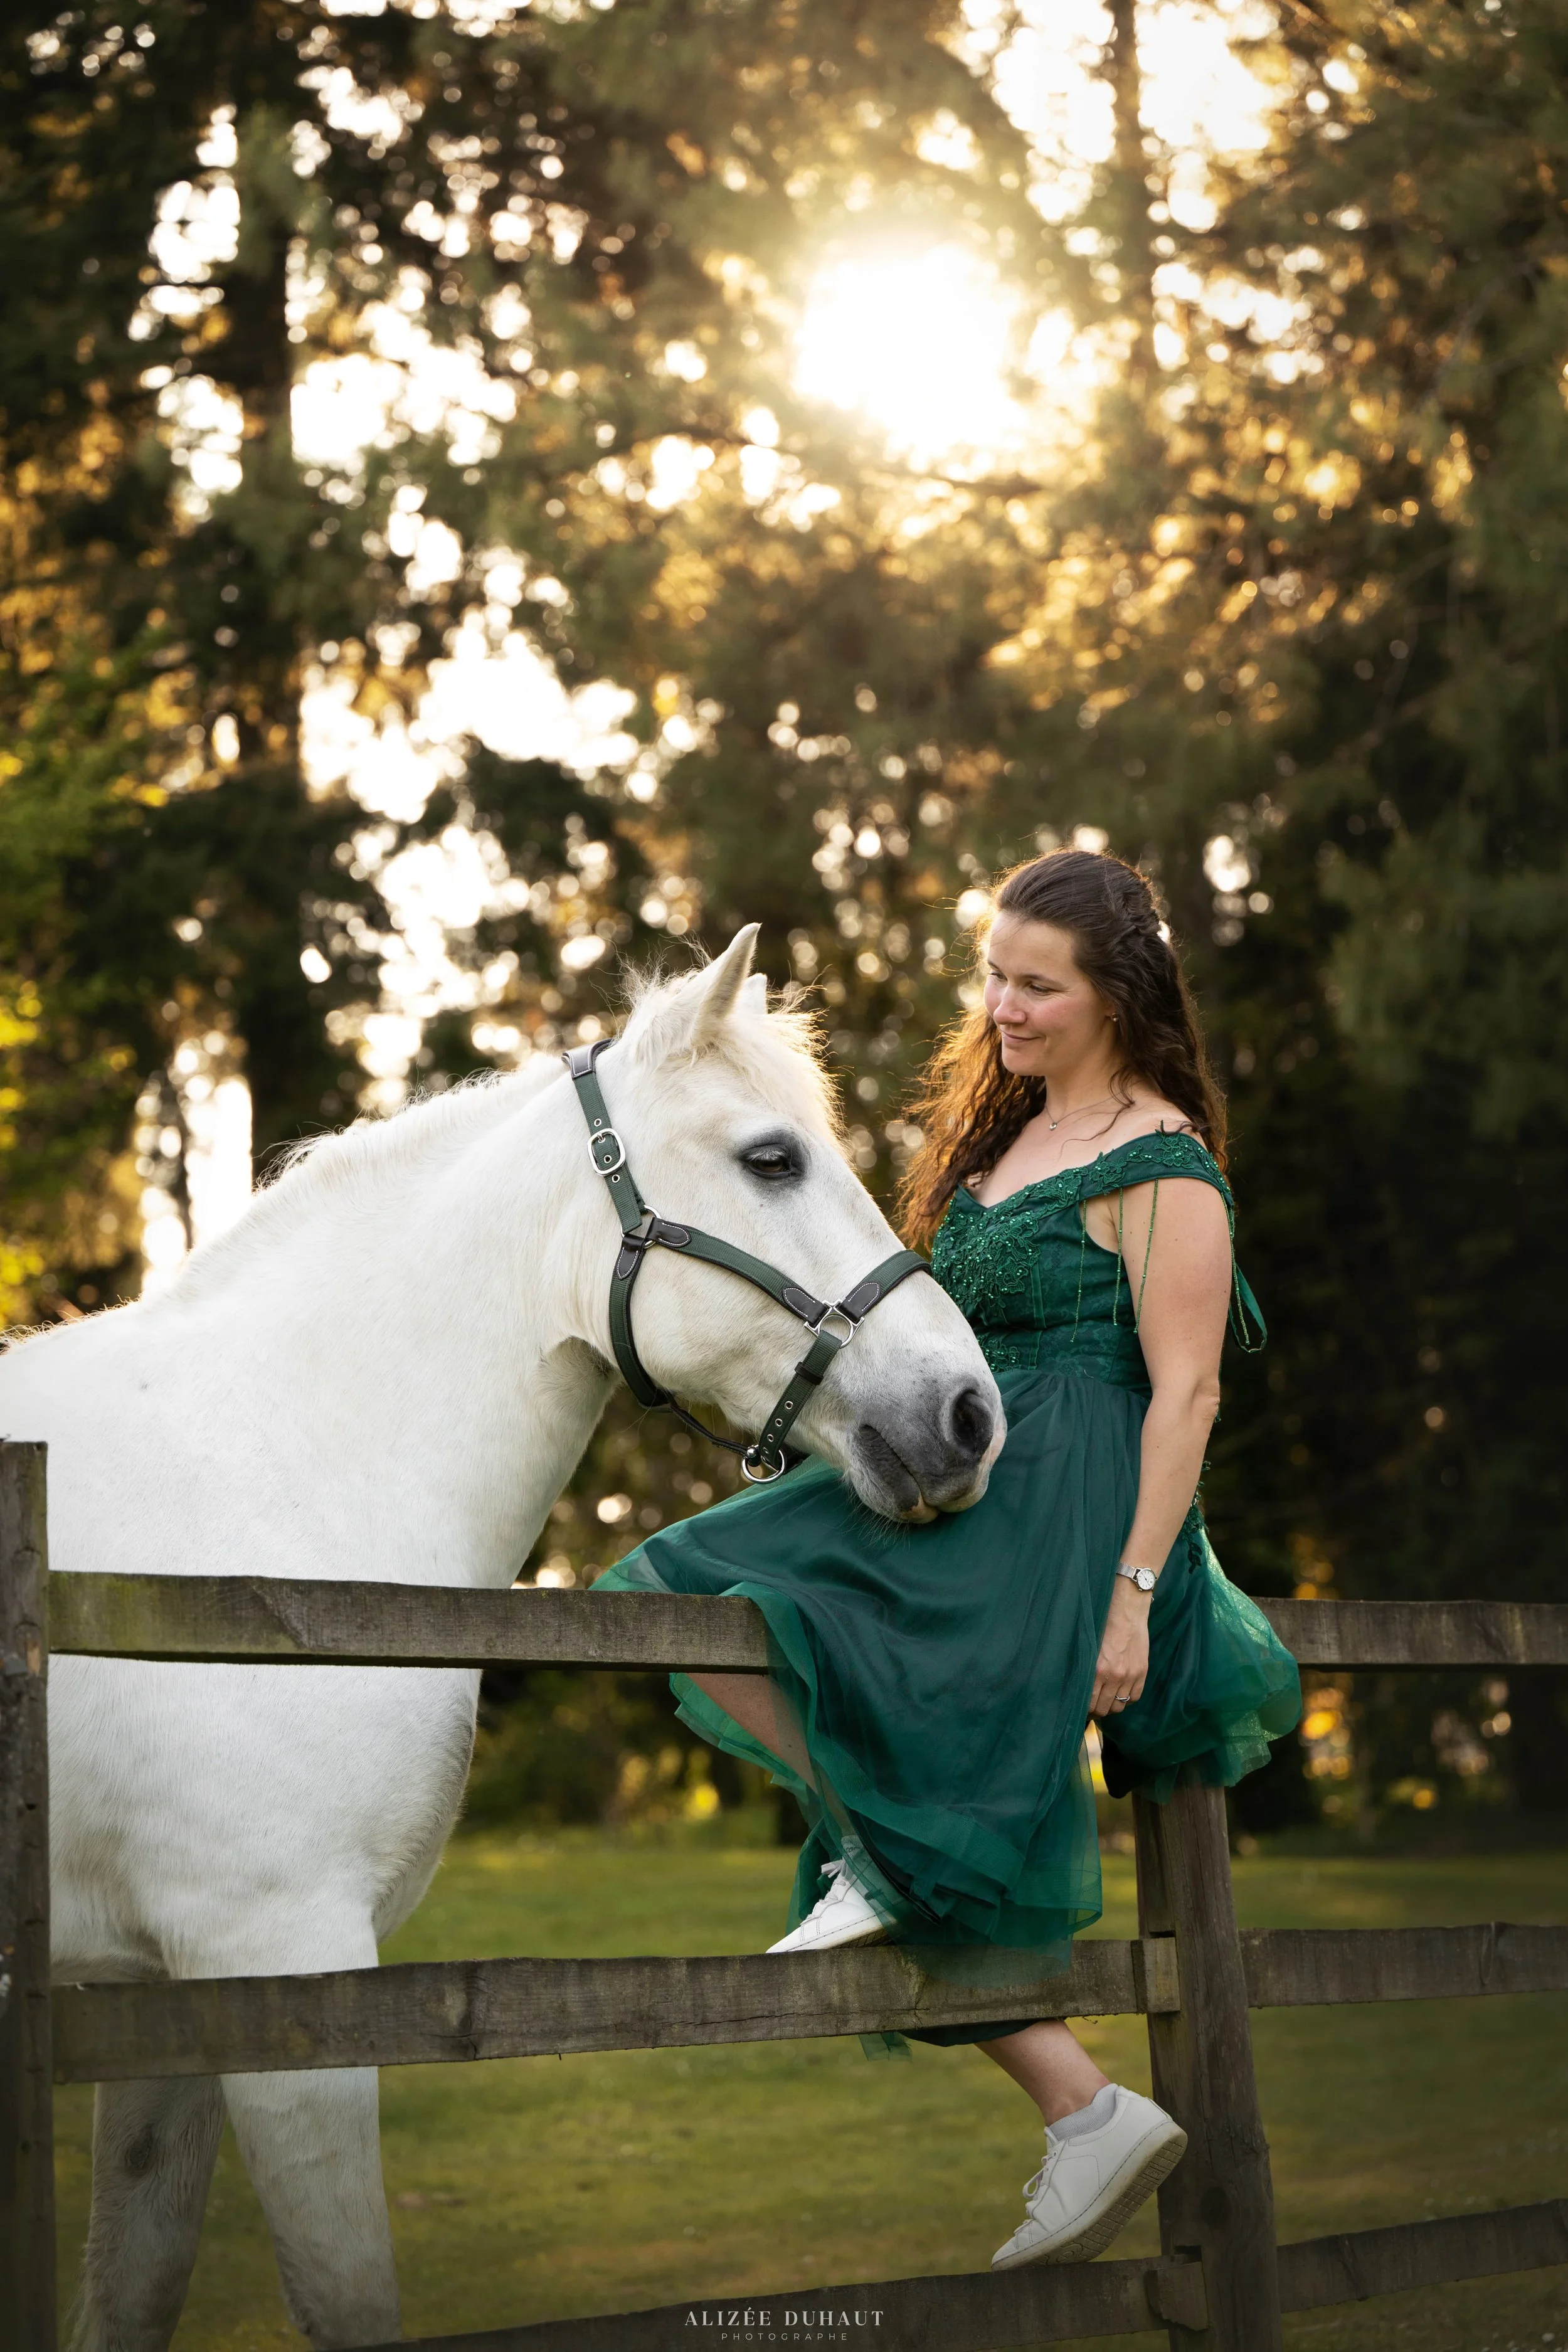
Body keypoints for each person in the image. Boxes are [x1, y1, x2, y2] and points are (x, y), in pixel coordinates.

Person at [595, 847, 1301, 2269]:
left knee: (930, 1835)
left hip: (1074, 1494)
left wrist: (1132, 1594)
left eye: (1037, 986)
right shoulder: (1001, 1142)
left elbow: (1189, 1394)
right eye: (993, 975)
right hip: (967, 1467)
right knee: (670, 1589)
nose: (1003, 1007)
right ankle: (1035, 2048)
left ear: (1116, 994)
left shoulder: (1164, 1165)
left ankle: (1036, 2056)